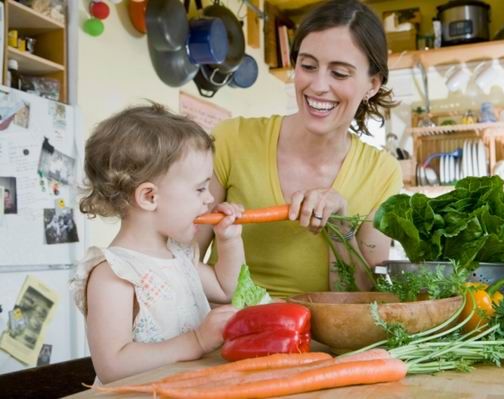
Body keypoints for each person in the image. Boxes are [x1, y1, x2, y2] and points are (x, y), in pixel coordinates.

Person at [197, 0, 401, 297]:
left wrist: (340, 228)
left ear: (371, 84)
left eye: (339, 73)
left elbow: (358, 300)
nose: (318, 85)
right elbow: (182, 258)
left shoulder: (381, 173)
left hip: (322, 339)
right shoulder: (232, 139)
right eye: (307, 66)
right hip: (229, 330)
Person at [70, 103, 245, 384]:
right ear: (150, 197)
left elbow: (227, 289)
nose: (209, 199)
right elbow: (112, 366)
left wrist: (229, 240)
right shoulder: (114, 273)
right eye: (200, 188)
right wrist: (196, 341)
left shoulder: (180, 256)